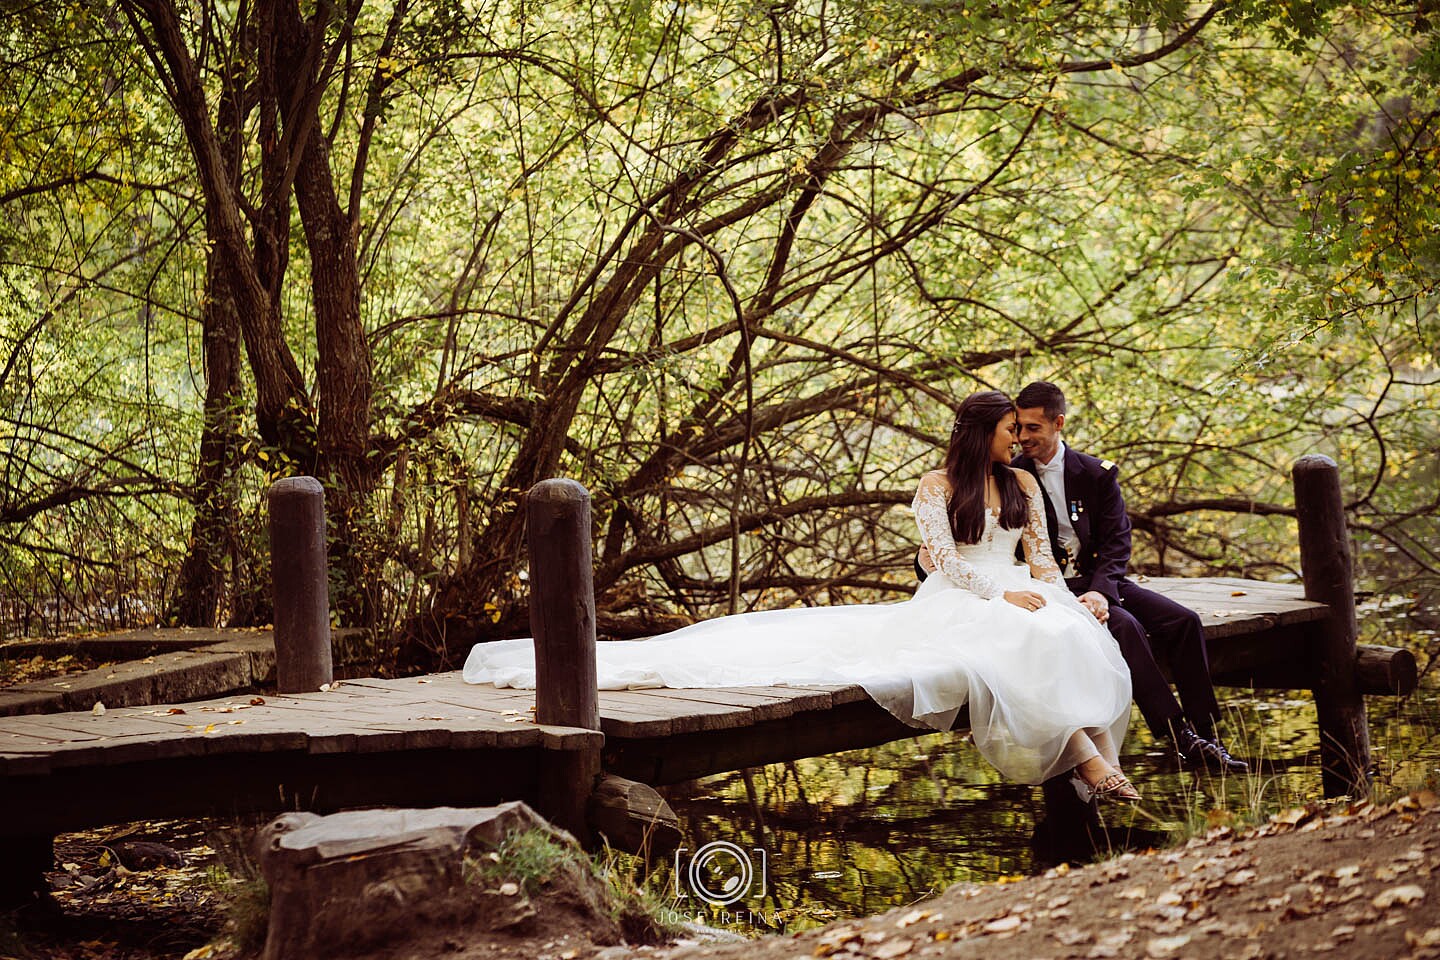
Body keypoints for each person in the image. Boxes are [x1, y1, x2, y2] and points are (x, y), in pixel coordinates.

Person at [466, 391, 1140, 801]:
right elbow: (940, 561)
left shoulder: (1021, 487)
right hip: (963, 594)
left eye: (1022, 434)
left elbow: (1046, 559)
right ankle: (1089, 762)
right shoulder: (937, 488)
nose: (1018, 441)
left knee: (1070, 631)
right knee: (1025, 638)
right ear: (981, 434)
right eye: (1008, 432)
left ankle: (1095, 765)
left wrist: (1059, 595)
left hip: (1021, 591)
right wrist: (999, 596)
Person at [1006, 381, 1245, 772]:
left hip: (1100, 581)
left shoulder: (1095, 473)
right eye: (1018, 427)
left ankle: (1207, 733)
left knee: (1185, 622)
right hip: (1054, 589)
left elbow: (1118, 542)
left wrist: (1101, 591)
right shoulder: (1011, 475)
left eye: (1033, 427)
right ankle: (1178, 736)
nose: (1023, 437)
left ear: (1059, 423)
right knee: (1127, 627)